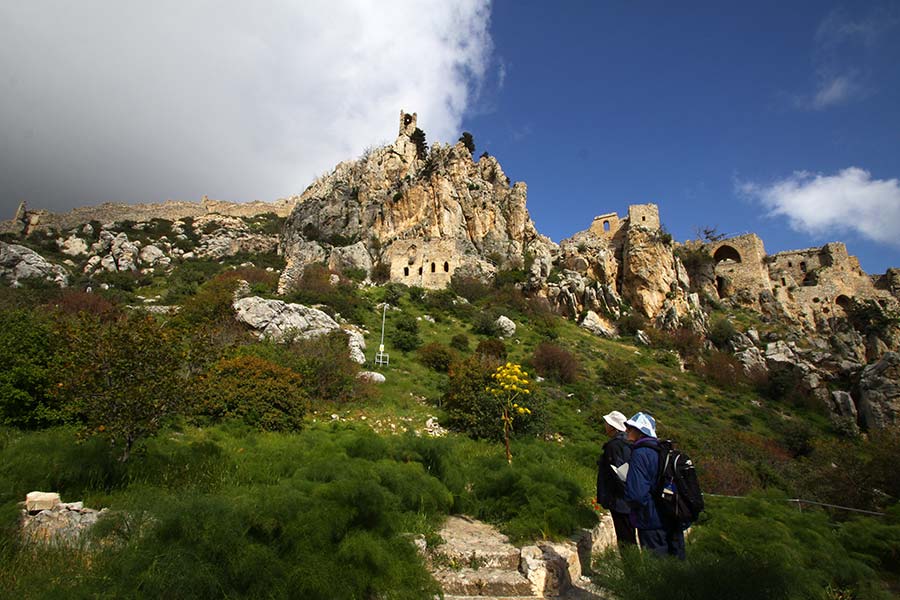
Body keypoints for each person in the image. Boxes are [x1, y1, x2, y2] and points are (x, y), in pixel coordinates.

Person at [623, 411, 686, 560]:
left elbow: (637, 494)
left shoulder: (640, 454)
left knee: (657, 569)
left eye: (630, 428)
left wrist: (635, 509)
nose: (626, 431)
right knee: (677, 568)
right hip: (673, 516)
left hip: (651, 521)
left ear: (639, 432)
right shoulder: (664, 451)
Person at [596, 410, 636, 547]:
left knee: (625, 539)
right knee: (629, 535)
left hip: (620, 500)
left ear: (613, 426)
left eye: (607, 423)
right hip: (629, 498)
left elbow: (618, 473)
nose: (605, 426)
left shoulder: (614, 446)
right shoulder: (629, 442)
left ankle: (631, 567)